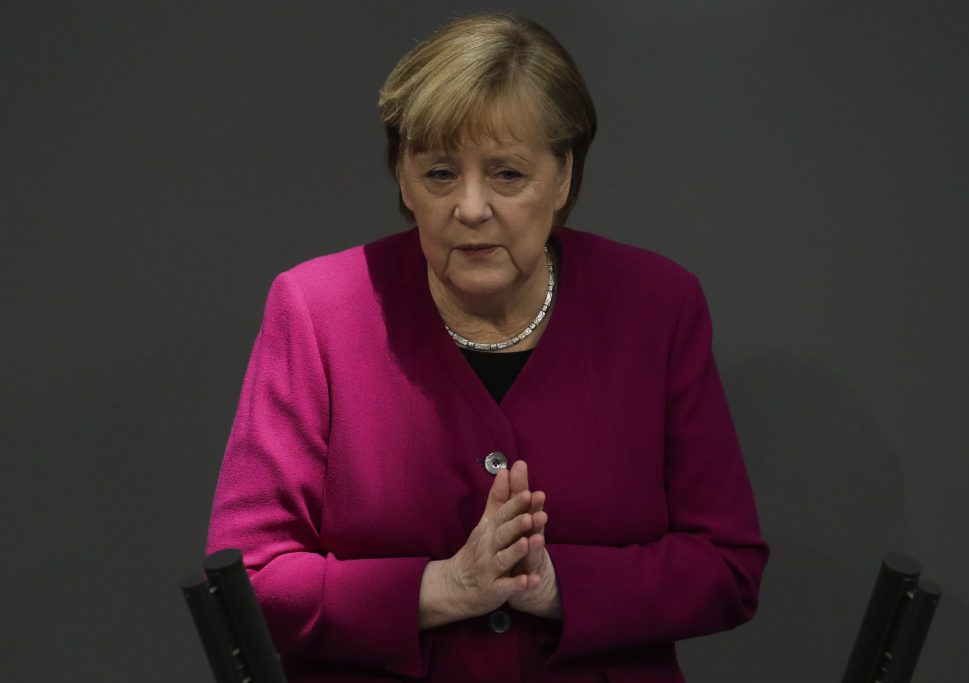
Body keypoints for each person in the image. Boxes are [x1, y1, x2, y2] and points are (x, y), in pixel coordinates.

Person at [207, 13, 768, 683]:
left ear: (562, 178)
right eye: (440, 174)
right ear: (403, 180)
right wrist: (442, 588)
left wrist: (558, 584)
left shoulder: (659, 306)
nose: (470, 208)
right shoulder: (315, 310)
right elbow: (246, 577)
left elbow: (729, 564)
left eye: (506, 174)